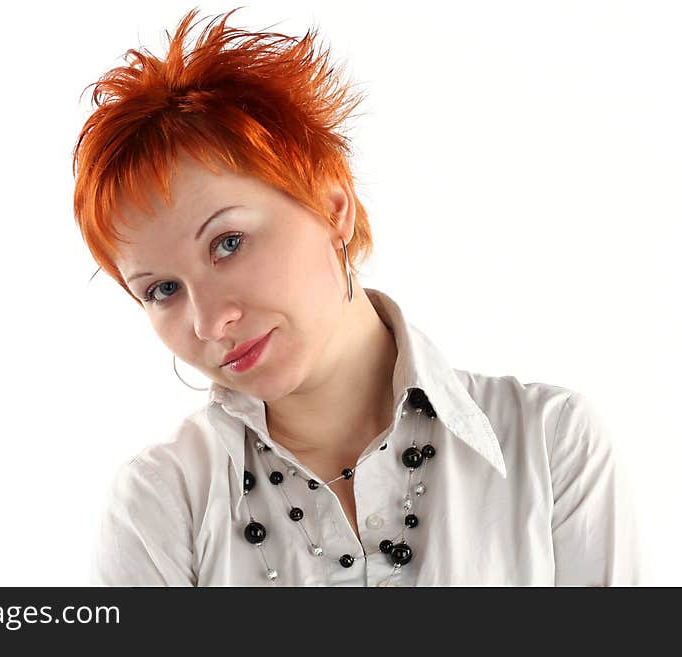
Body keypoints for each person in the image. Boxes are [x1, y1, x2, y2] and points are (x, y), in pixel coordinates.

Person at [72, 7, 646, 586]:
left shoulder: (548, 446)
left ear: (332, 208)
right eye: (163, 289)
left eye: (228, 243)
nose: (210, 321)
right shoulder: (158, 507)